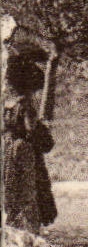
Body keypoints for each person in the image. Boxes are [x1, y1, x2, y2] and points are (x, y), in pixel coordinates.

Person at [3, 49, 58, 233]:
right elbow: (32, 129)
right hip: (25, 151)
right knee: (30, 190)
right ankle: (28, 228)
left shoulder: (7, 105)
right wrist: (44, 135)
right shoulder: (25, 105)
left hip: (8, 150)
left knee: (10, 189)